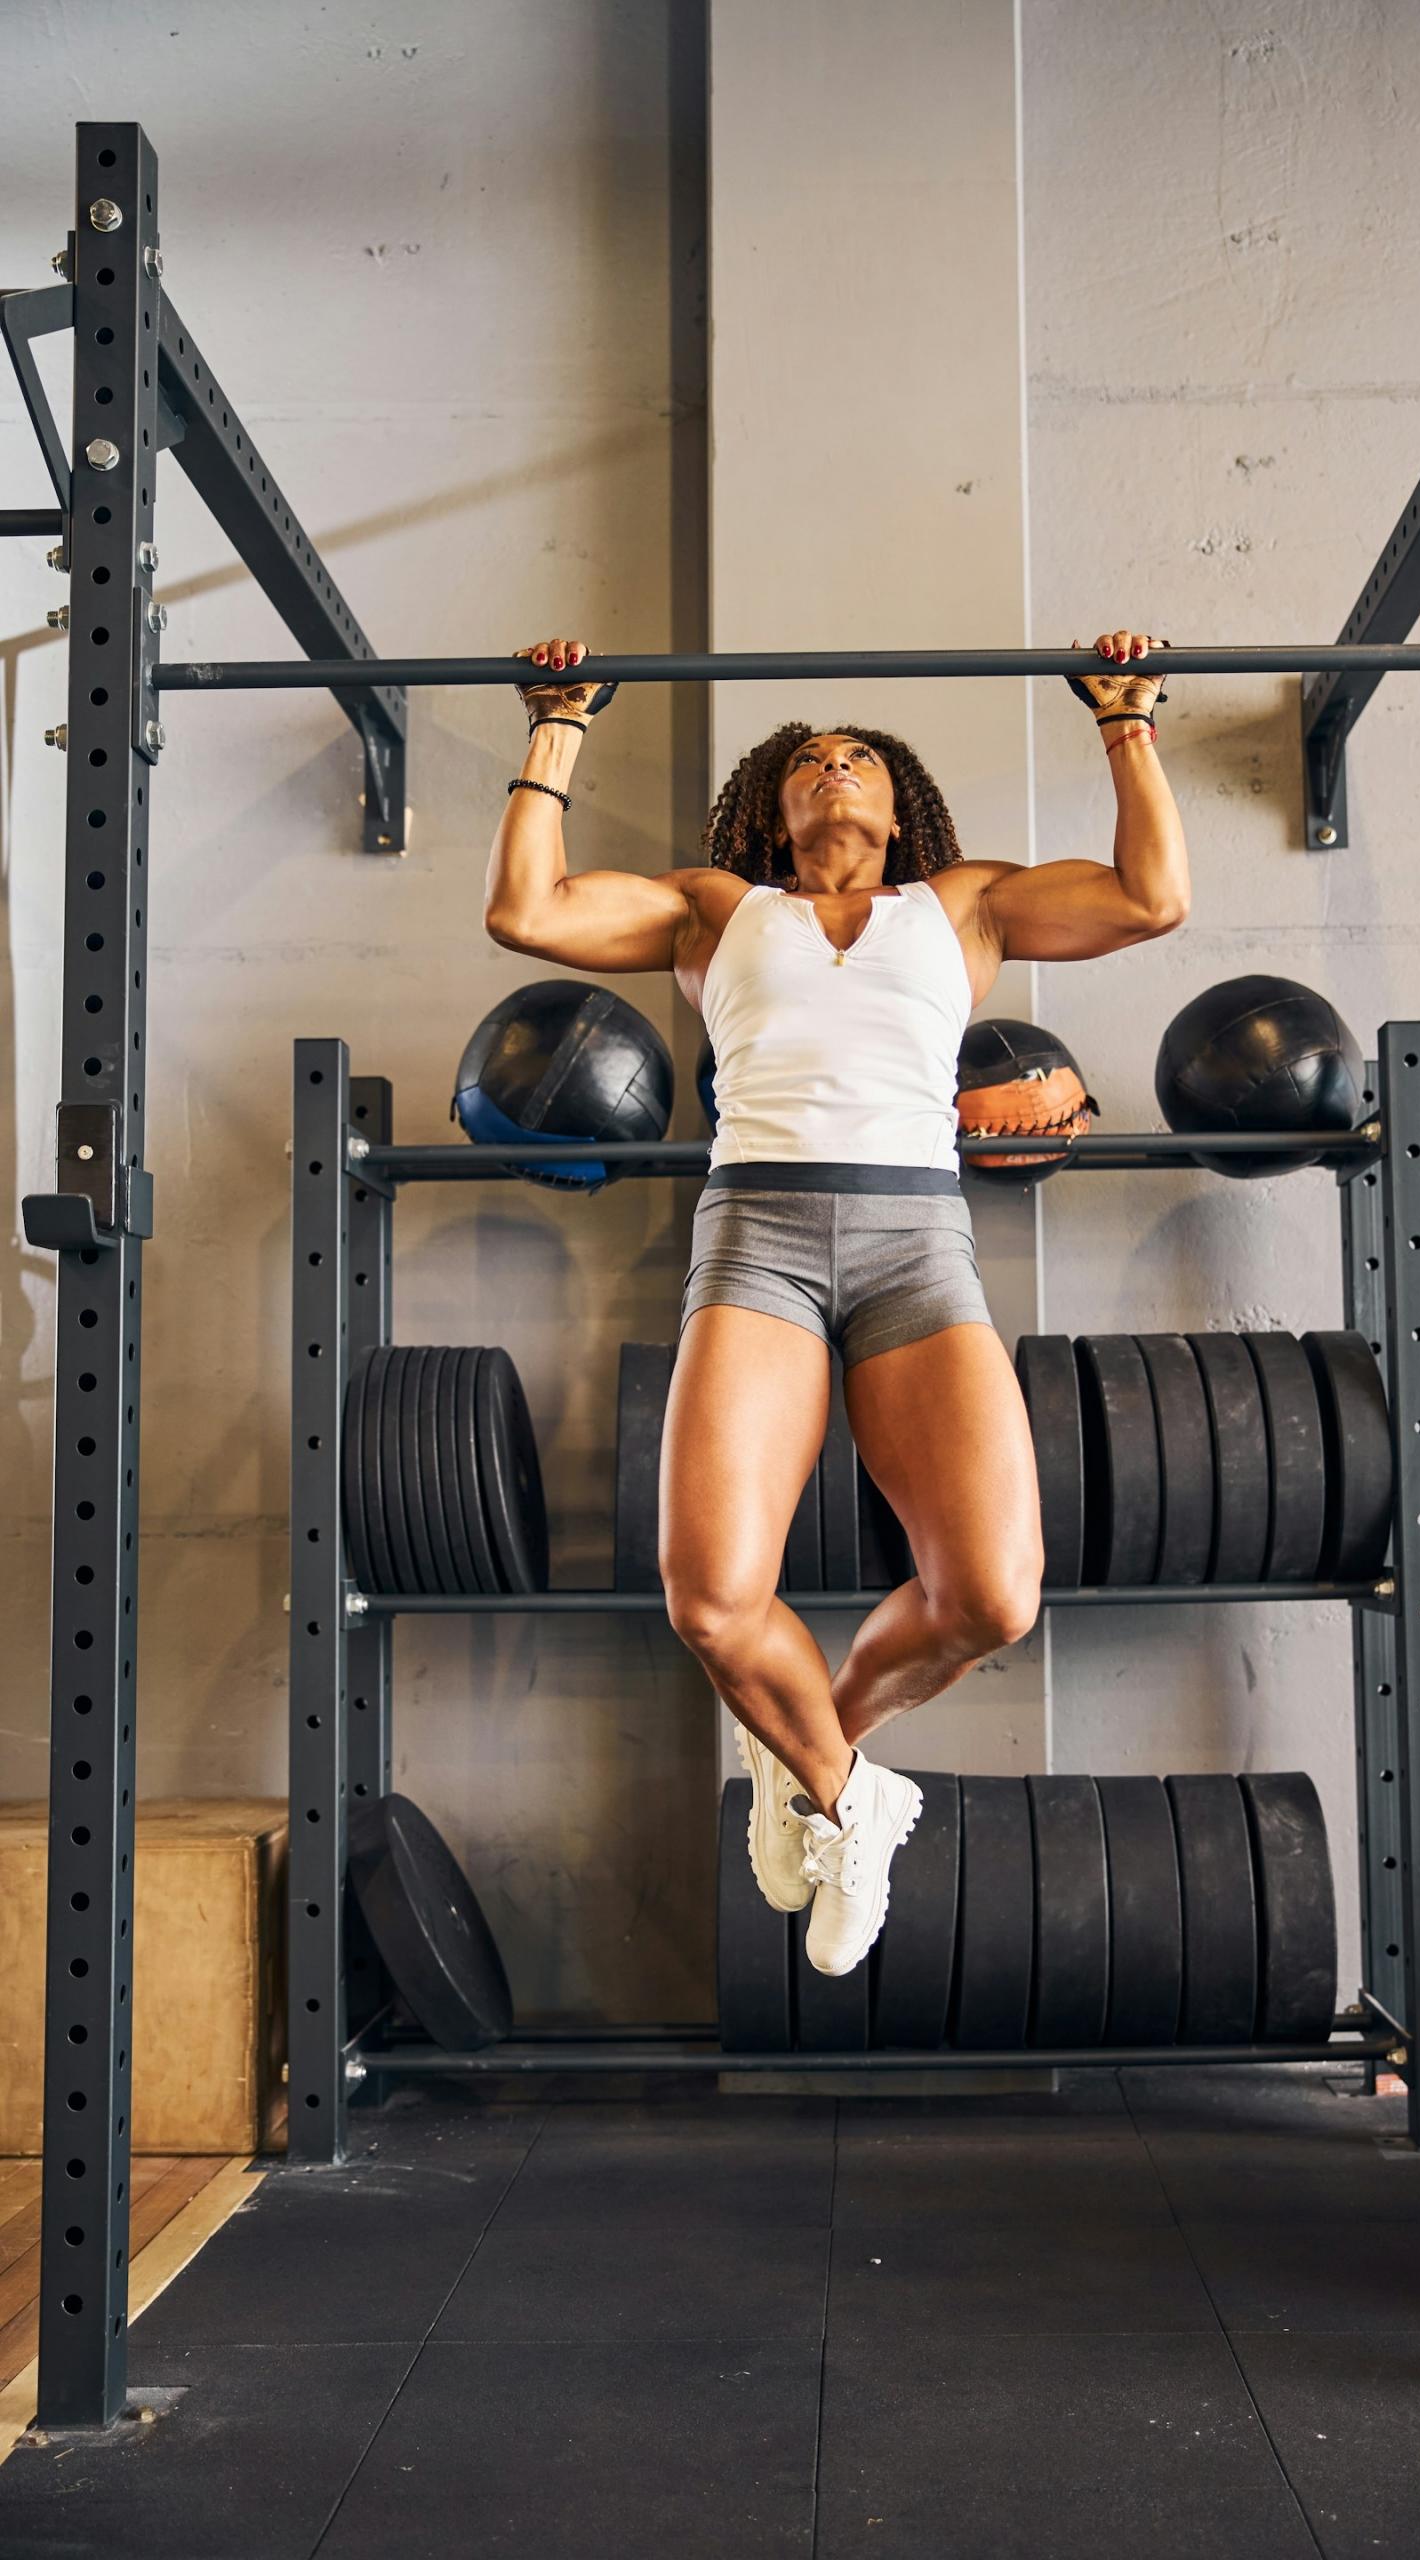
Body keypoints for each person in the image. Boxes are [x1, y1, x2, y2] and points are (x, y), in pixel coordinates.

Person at [484, 631, 1189, 1981]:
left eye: (856, 757)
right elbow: (528, 911)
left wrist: (1126, 719)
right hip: (756, 1240)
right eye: (808, 763)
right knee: (709, 1601)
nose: (833, 767)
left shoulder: (967, 903)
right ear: (773, 812)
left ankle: (803, 1759)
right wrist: (559, 726)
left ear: (898, 801)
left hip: (918, 1247)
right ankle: (854, 1804)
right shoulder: (713, 908)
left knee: (991, 1595)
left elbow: (1153, 900)